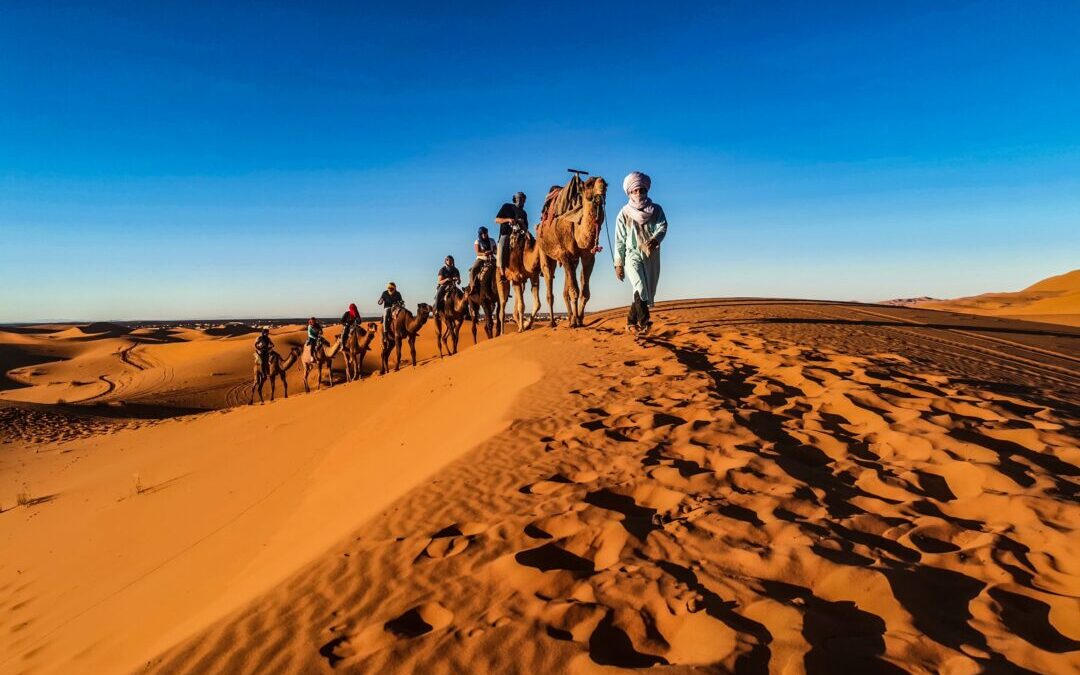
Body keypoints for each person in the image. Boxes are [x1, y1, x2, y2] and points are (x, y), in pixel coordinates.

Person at [614, 171, 667, 329]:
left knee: (642, 290)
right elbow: (619, 240)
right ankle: (644, 322)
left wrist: (656, 239)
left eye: (641, 190)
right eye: (634, 190)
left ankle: (631, 322)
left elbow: (662, 226)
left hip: (651, 255)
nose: (638, 193)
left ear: (647, 190)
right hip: (632, 254)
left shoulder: (656, 210)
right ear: (629, 193)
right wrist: (618, 264)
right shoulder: (624, 213)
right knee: (640, 286)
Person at [494, 191, 529, 272]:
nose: (521, 201)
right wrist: (508, 219)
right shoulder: (507, 207)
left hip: (520, 234)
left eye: (523, 199)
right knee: (502, 246)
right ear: (515, 199)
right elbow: (496, 220)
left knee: (533, 242)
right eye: (519, 198)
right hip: (507, 234)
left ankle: (539, 266)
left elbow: (526, 227)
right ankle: (502, 272)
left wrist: (522, 223)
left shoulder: (524, 213)